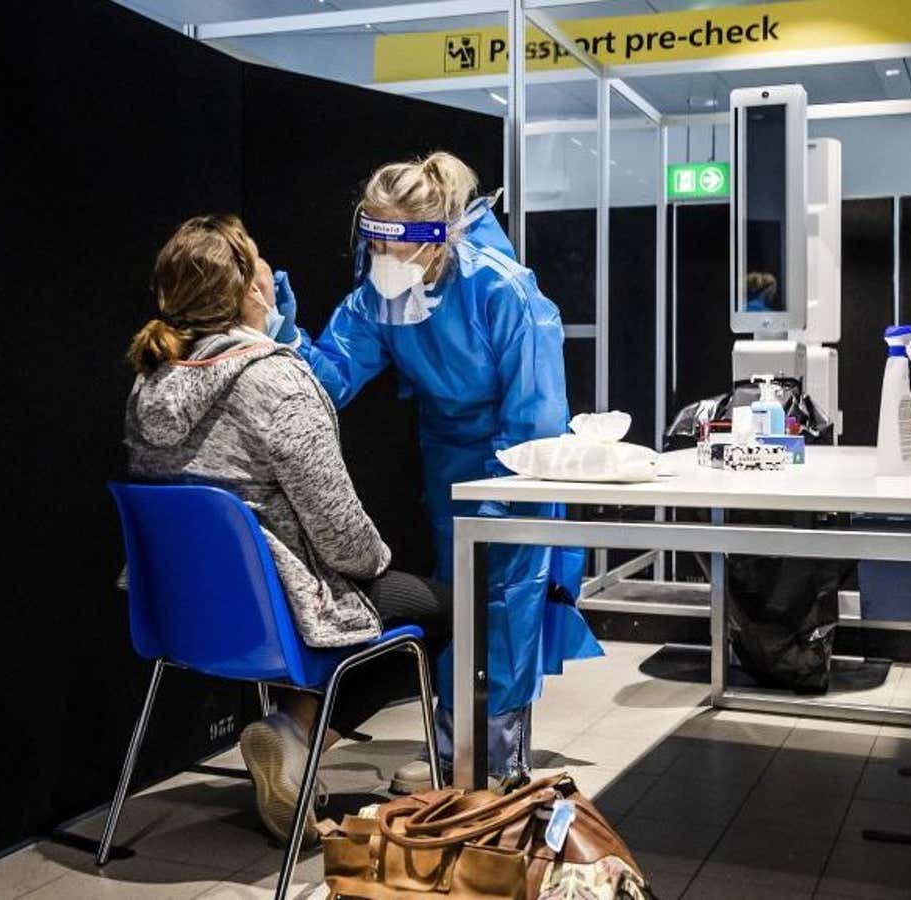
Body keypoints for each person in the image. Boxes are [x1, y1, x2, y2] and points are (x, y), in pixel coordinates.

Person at [269, 152, 602, 788]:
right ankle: (455, 757)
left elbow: (536, 417)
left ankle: (493, 772)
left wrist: (501, 500)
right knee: (461, 612)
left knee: (506, 612)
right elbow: (329, 381)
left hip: (515, 471)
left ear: (434, 239)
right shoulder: (380, 298)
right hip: (448, 468)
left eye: (394, 246)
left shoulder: (502, 290)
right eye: (372, 244)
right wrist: (286, 337)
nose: (381, 263)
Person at [123, 215, 449, 844]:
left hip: (183, 620)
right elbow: (345, 541)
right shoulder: (274, 380)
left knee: (361, 600)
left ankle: (292, 742)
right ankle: (295, 737)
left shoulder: (150, 383)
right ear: (249, 291)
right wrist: (378, 561)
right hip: (284, 614)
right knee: (447, 609)